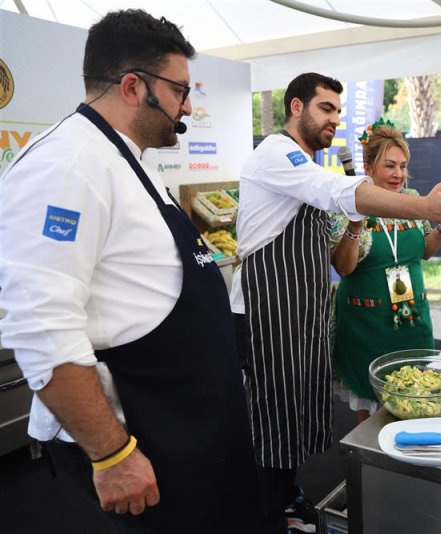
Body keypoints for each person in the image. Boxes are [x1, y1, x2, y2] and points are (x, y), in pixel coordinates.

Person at [0, 9, 262, 533]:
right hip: (146, 431)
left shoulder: (128, 158)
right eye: (180, 91)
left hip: (190, 420)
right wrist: (112, 454)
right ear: (132, 86)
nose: (187, 106)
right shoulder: (67, 166)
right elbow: (40, 328)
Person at [236, 72, 441, 533]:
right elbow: (338, 197)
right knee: (273, 414)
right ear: (295, 107)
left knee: (293, 412)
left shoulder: (307, 162)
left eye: (338, 111)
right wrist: (424, 209)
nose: (334, 119)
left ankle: (287, 496)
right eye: (325, 108)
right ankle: (268, 515)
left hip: (300, 308)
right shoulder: (277, 153)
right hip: (269, 305)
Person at [329, 120, 441, 423]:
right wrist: (357, 223)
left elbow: (423, 251)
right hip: (366, 326)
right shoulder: (347, 203)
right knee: (370, 409)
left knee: (419, 397)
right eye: (390, 165)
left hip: (413, 321)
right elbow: (343, 267)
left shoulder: (412, 200)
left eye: (403, 166)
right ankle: (369, 466)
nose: (398, 174)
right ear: (369, 167)